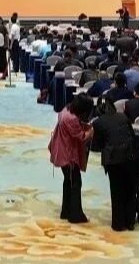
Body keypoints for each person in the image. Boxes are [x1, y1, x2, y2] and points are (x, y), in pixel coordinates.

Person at [92, 98, 139, 231]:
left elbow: (95, 146)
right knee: (130, 189)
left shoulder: (98, 123)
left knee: (116, 190)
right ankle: (130, 222)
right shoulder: (123, 117)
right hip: (131, 156)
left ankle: (118, 224)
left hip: (113, 159)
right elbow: (132, 136)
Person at [48, 94, 94, 223]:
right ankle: (75, 215)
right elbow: (82, 137)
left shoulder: (66, 110)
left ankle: (66, 211)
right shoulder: (72, 119)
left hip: (61, 149)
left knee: (68, 181)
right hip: (68, 155)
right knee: (75, 182)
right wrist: (91, 131)